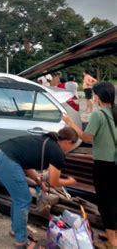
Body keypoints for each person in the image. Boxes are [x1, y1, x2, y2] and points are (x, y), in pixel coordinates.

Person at [0, 128, 78, 248]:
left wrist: (38, 180)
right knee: (24, 200)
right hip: (5, 159)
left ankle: (16, 230)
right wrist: (70, 181)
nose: (72, 148)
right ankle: (21, 241)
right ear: (68, 142)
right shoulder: (57, 152)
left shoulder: (47, 141)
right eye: (73, 145)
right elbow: (54, 181)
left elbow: (25, 162)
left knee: (18, 197)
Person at [63, 81, 116, 248]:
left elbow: (87, 138)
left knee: (105, 201)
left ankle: (113, 241)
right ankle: (112, 233)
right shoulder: (115, 111)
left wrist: (71, 124)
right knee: (114, 199)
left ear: (98, 96)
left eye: (94, 95)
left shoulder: (98, 115)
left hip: (104, 164)